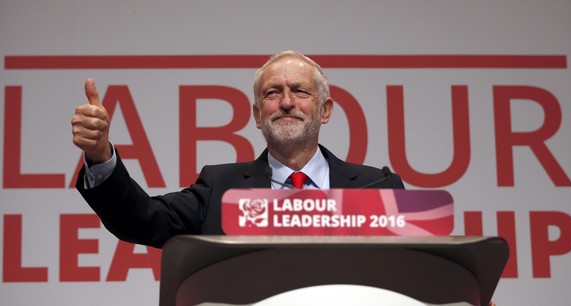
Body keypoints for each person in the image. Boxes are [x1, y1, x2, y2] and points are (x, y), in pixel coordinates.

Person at [71, 50, 405, 248]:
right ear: (258, 115)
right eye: (273, 92)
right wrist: (100, 156)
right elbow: (140, 219)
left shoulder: (376, 188)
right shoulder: (221, 187)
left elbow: (412, 274)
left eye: (300, 91)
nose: (287, 102)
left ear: (326, 110)